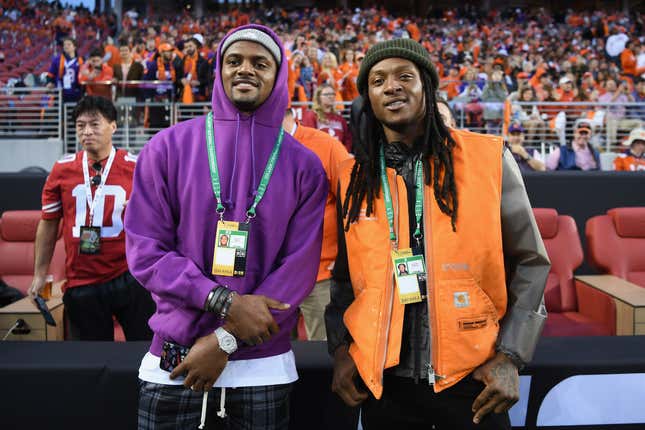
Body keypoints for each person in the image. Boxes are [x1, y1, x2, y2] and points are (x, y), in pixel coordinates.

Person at [325, 38, 549, 429]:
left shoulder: (489, 158)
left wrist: (511, 356)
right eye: (377, 80)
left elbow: (531, 261)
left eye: (404, 76)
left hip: (473, 380)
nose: (390, 86)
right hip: (384, 384)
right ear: (369, 98)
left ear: (427, 88)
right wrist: (342, 350)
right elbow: (345, 279)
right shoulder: (353, 176)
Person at [126, 25, 328, 430]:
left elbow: (298, 270)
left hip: (262, 365)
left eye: (260, 63)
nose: (245, 70)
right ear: (219, 70)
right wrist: (223, 300)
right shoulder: (165, 148)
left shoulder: (304, 165)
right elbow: (146, 251)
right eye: (234, 61)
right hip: (175, 357)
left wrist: (226, 338)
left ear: (279, 75)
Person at [28, 96, 155, 341]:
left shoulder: (137, 166)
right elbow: (49, 222)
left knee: (144, 351)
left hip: (129, 274)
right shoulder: (61, 169)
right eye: (80, 126)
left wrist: (144, 211)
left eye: (94, 124)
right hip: (81, 279)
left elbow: (160, 220)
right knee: (92, 358)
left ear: (113, 126)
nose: (86, 131)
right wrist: (39, 274)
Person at [282, 108, 351, 340]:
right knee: (269, 358)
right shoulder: (252, 147)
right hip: (272, 278)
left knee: (323, 353)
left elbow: (352, 205)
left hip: (319, 273)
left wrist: (344, 262)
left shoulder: (325, 145)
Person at [301, 83, 353, 152]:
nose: (331, 96)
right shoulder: (311, 116)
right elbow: (309, 139)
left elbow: (347, 139)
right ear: (318, 97)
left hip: (339, 156)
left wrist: (343, 152)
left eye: (332, 94)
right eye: (327, 94)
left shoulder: (340, 118)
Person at [46, 37, 83, 103]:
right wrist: (50, 82)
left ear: (74, 47)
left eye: (69, 44)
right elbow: (50, 74)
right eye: (65, 45)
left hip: (76, 91)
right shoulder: (57, 60)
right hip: (61, 91)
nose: (66, 46)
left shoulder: (80, 60)